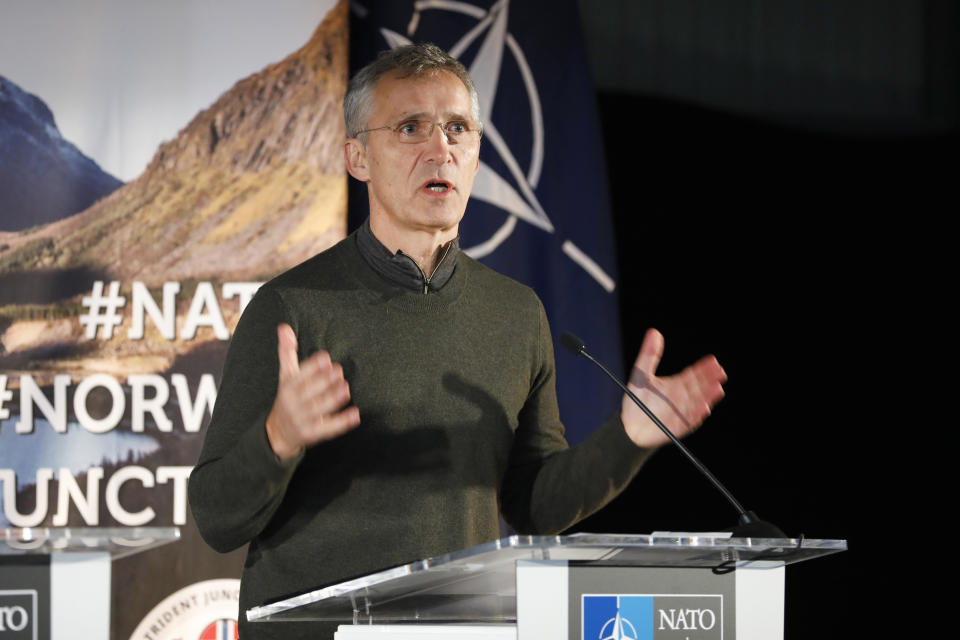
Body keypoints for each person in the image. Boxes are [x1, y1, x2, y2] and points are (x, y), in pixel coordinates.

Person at [188, 43, 727, 640]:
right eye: (411, 128)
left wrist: (628, 439)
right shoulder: (292, 307)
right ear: (357, 157)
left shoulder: (517, 314)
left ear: (475, 156)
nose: (439, 148)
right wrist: (278, 439)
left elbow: (534, 505)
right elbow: (216, 517)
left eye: (457, 129)